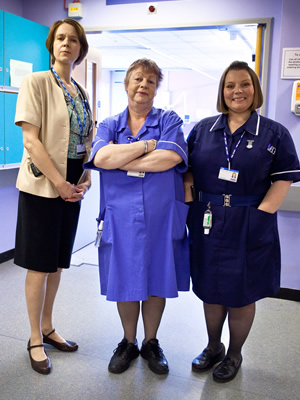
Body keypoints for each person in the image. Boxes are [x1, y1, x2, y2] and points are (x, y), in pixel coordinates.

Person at [185, 60, 300, 383]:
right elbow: (188, 171)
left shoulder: (274, 132)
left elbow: (283, 180)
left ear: (255, 89)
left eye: (245, 85)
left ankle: (234, 353)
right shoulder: (204, 130)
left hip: (250, 220)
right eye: (230, 85)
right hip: (207, 219)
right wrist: (191, 205)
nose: (238, 91)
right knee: (210, 289)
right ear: (222, 91)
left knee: (241, 291)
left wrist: (261, 215)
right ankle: (213, 347)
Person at [84, 58, 190, 375]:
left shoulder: (169, 119)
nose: (143, 85)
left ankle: (151, 342)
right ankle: (128, 343)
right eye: (138, 79)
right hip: (121, 216)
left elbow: (170, 157)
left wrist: (122, 159)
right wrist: (145, 146)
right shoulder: (109, 125)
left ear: (157, 88)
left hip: (160, 215)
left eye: (151, 81)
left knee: (157, 277)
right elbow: (101, 156)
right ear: (127, 84)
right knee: (125, 279)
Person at [14, 18, 93, 375]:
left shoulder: (80, 91)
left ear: (80, 48)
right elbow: (31, 140)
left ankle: (48, 325)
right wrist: (60, 182)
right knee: (39, 264)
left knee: (59, 262)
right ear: (51, 44)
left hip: (72, 187)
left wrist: (86, 174)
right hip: (44, 186)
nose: (66, 44)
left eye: (73, 39)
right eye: (60, 38)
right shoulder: (36, 83)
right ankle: (34, 337)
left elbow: (84, 139)